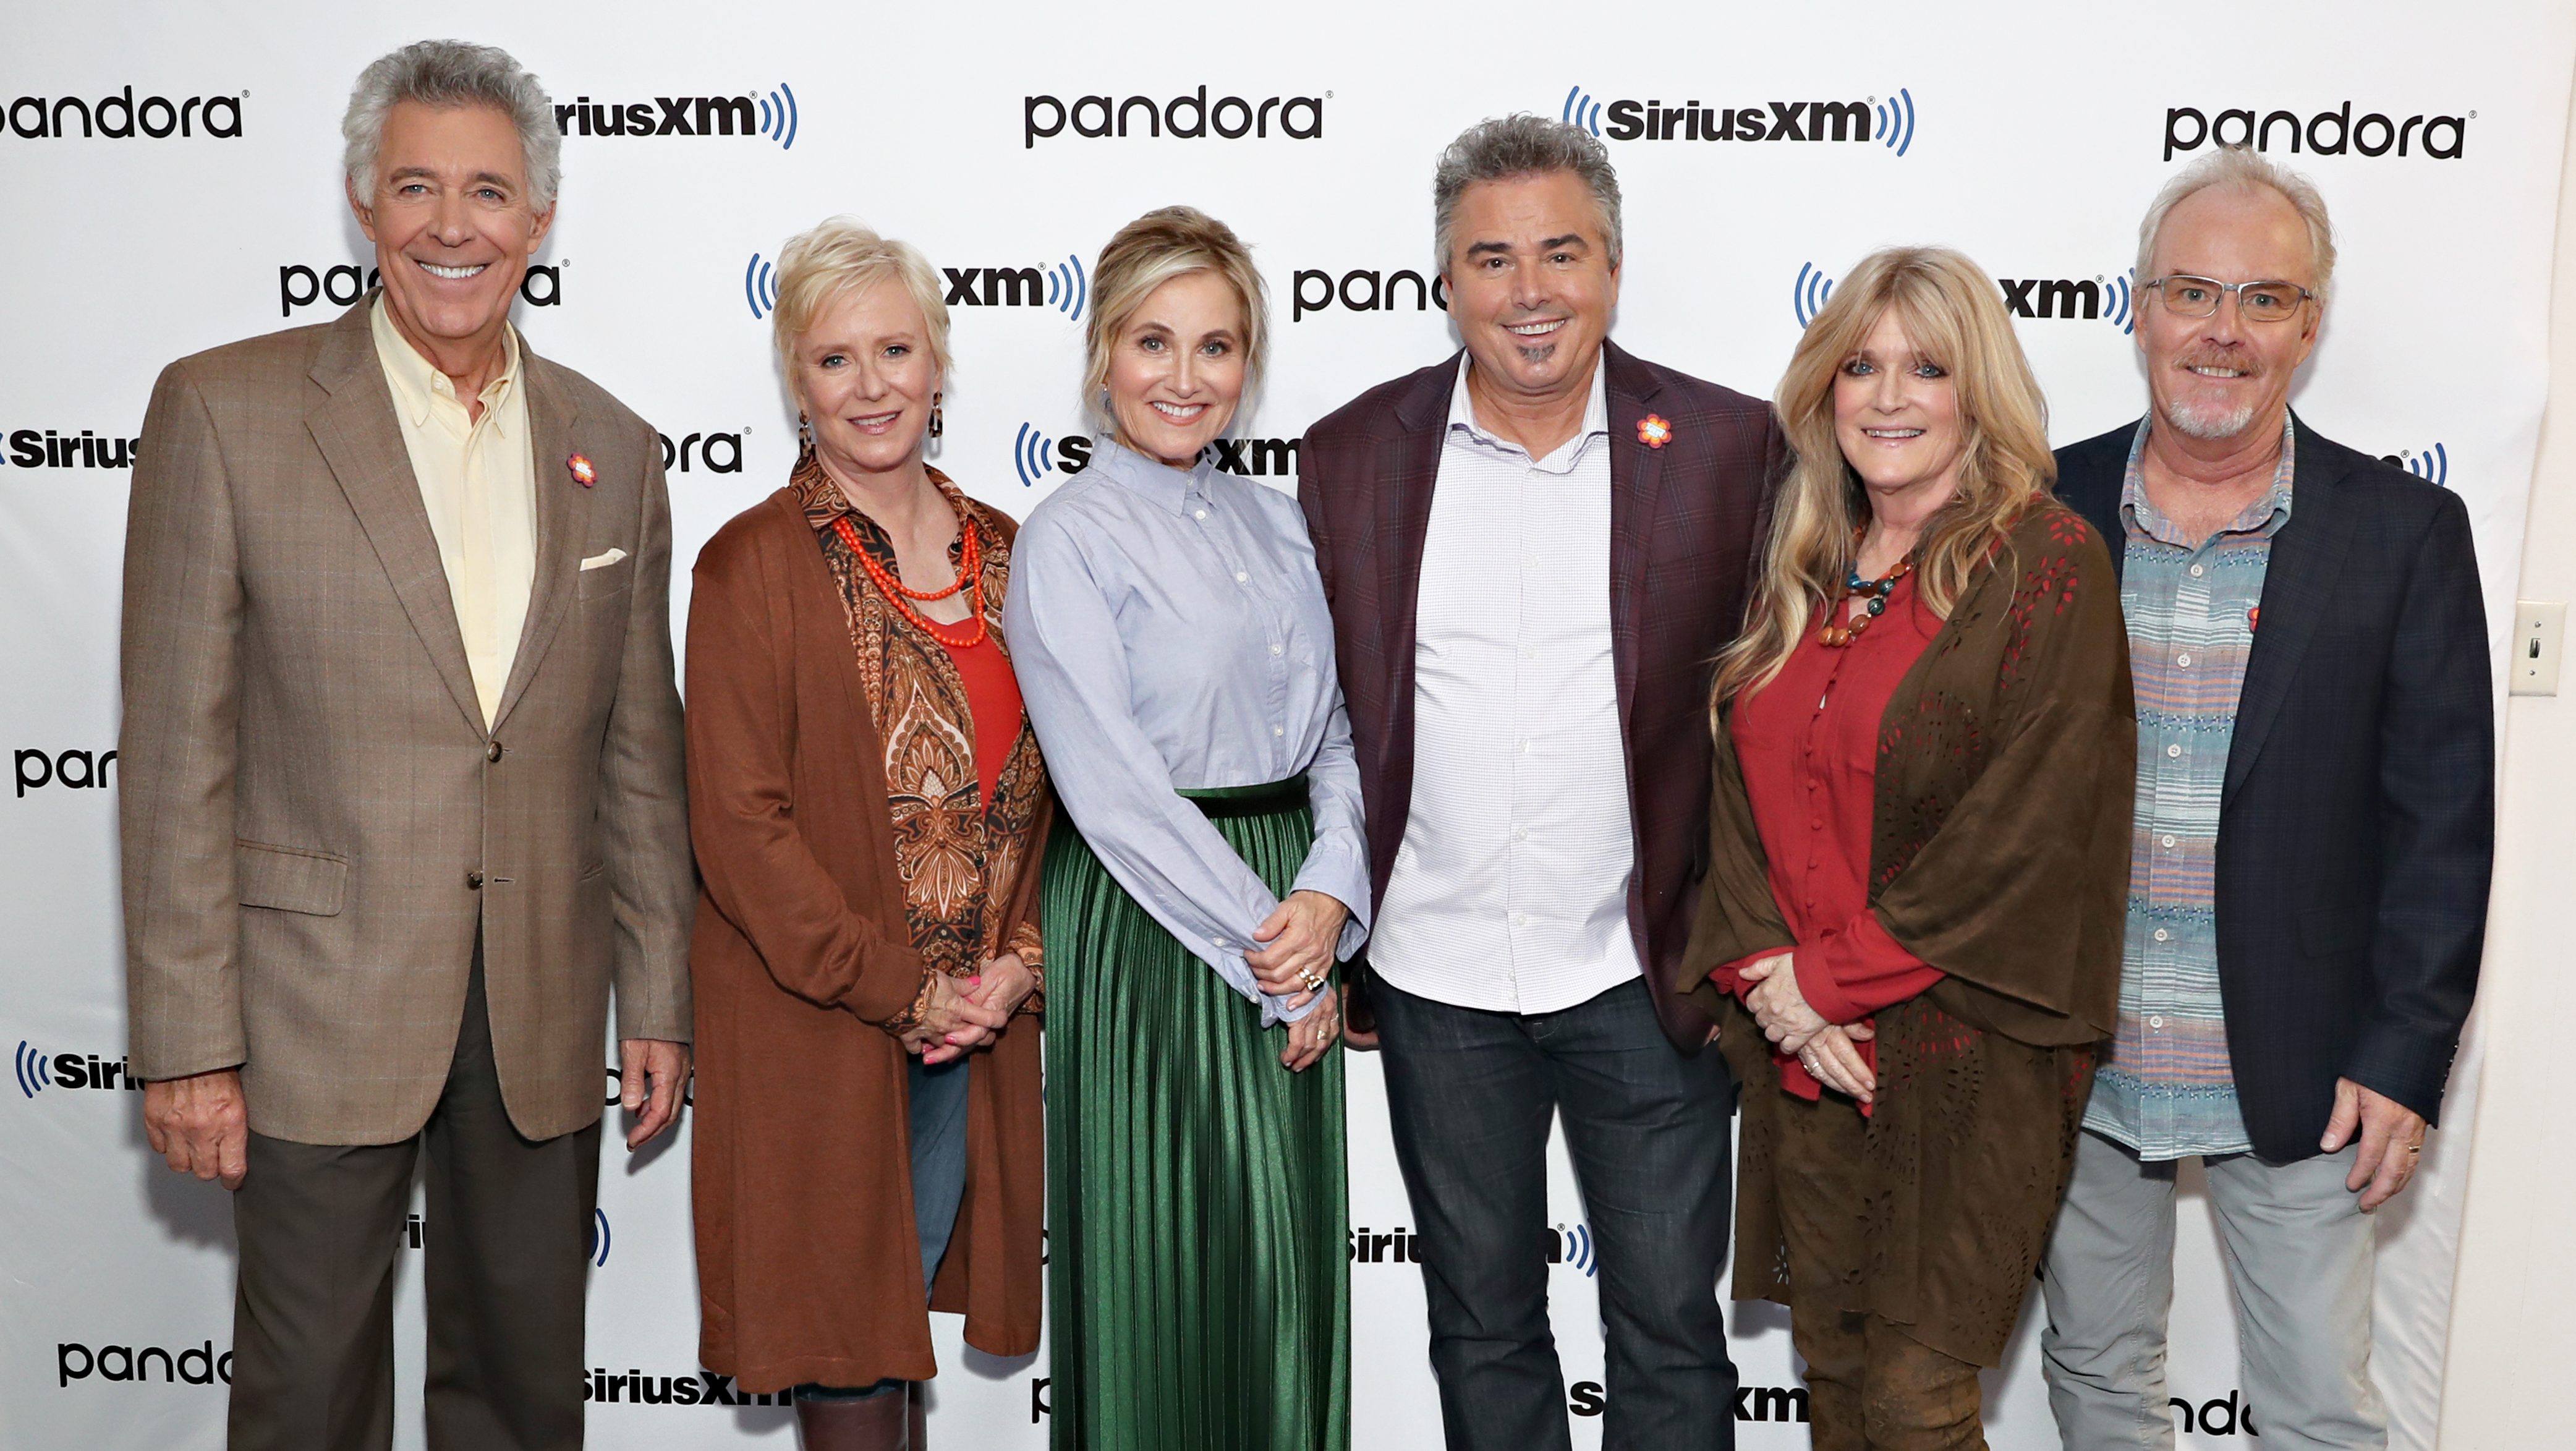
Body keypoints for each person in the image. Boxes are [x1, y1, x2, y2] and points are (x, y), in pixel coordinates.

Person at [117, 40, 694, 1451]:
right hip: (314, 1009)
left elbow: (636, 757)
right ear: (364, 202)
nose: (453, 226)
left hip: (540, 1007)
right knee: (307, 1402)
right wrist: (188, 1044)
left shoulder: (616, 447)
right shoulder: (225, 410)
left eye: (489, 192)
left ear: (538, 219)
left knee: (521, 1404)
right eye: (417, 186)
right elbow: (176, 760)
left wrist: (660, 995)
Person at [1298, 115, 1779, 1451]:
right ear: (1444, 280)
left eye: (1560, 253)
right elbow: (1325, 716)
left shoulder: (1730, 446)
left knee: (1671, 1333)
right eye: (1491, 259)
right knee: (1482, 1330)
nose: (1529, 292)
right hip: (1434, 972)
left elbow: (1771, 716)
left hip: (1642, 969)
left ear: (1613, 266)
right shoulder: (1352, 454)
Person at [2040, 146, 2493, 1451]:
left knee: (2316, 1412)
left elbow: (2441, 826)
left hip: (2304, 1069)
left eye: (2264, 298)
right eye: (2192, 291)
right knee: (2095, 1385)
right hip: (2072, 1060)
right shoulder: (2036, 507)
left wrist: (2403, 1058)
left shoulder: (2402, 532)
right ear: (2139, 307)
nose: (2222, 331)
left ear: (2309, 321)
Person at [1680, 246, 2133, 1450]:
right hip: (1807, 1051)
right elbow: (1738, 795)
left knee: (1913, 1402)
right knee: (1835, 1377)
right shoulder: (1807, 562)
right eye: (1861, 367)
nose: (1888, 397)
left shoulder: (2043, 564)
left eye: (1926, 368)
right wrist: (1770, 985)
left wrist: (1823, 984)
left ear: (1976, 390)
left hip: (1965, 1053)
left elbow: (2026, 830)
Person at [1005, 206, 1366, 1450]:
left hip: (1291, 901)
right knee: (1165, 1266)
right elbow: (1110, 790)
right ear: (1103, 354)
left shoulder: (1280, 523)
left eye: (1216, 346)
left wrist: (1329, 894)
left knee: (1280, 1271)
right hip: (1150, 922)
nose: (1185, 376)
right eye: (1152, 341)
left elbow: (1337, 734)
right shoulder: (1067, 537)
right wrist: (1278, 954)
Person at [684, 218, 1048, 1449]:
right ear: (797, 383)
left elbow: (1070, 798)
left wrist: (1019, 968)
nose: (871, 384)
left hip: (971, 1031)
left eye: (895, 349)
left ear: (937, 364)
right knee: (847, 1358)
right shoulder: (748, 565)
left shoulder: (1014, 555)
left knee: (894, 1349)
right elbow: (739, 831)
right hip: (823, 1025)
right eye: (834, 358)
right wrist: (900, 989)